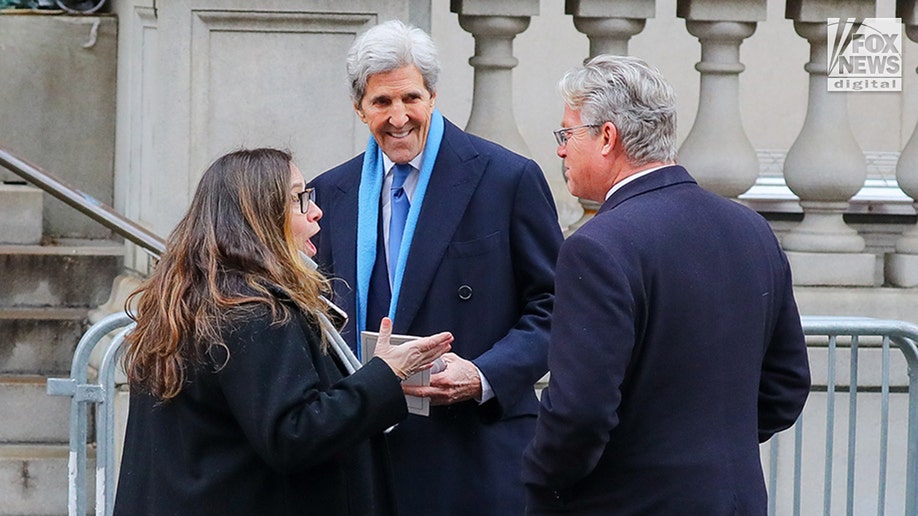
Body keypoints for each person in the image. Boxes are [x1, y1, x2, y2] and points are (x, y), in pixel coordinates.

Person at [520, 55, 812, 514]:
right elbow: (787, 386)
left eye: (567, 134)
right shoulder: (751, 228)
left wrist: (537, 483)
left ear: (607, 138)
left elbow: (579, 415)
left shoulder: (597, 247)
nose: (560, 150)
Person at [308, 20, 563, 515]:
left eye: (411, 98)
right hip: (362, 458)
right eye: (382, 103)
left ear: (433, 96)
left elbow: (557, 307)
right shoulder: (328, 195)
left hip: (471, 454)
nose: (399, 117)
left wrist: (485, 374)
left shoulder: (507, 179)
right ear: (360, 109)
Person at [113, 148, 453, 516]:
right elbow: (294, 433)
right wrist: (384, 374)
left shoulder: (194, 300)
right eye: (298, 199)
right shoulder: (254, 312)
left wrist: (379, 379)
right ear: (259, 217)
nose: (316, 210)